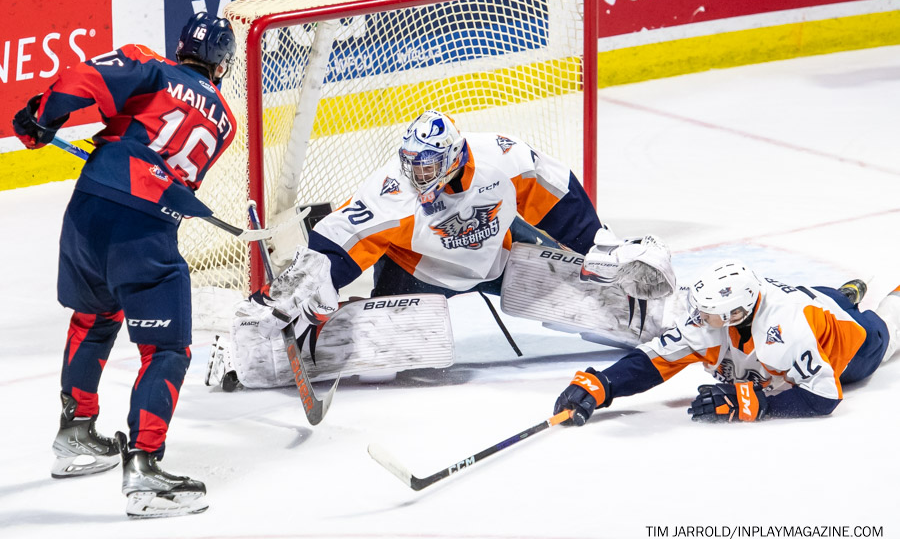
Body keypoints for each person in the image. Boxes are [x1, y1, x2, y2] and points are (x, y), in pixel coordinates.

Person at [208, 109, 675, 390]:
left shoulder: (502, 157)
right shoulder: (393, 193)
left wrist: (598, 241)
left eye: (428, 168)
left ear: (453, 158)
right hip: (419, 273)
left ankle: (664, 322)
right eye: (411, 165)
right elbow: (340, 239)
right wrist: (310, 279)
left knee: (597, 289)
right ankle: (245, 355)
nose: (418, 177)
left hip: (499, 255)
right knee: (384, 354)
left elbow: (558, 193)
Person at [11, 12, 237, 518]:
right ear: (222, 66)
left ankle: (75, 434)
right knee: (167, 349)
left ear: (180, 47)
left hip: (89, 208)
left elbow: (82, 78)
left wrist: (42, 118)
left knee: (93, 317)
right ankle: (145, 471)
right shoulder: (225, 122)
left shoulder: (149, 64)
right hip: (144, 227)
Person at [554, 259, 900, 426]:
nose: (699, 318)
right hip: (812, 298)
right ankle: (844, 296)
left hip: (853, 347)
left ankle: (860, 305)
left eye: (710, 313)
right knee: (831, 299)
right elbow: (658, 358)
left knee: (888, 323)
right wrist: (605, 383)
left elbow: (824, 396)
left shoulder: (787, 329)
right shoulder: (719, 315)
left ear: (738, 313)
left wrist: (754, 404)